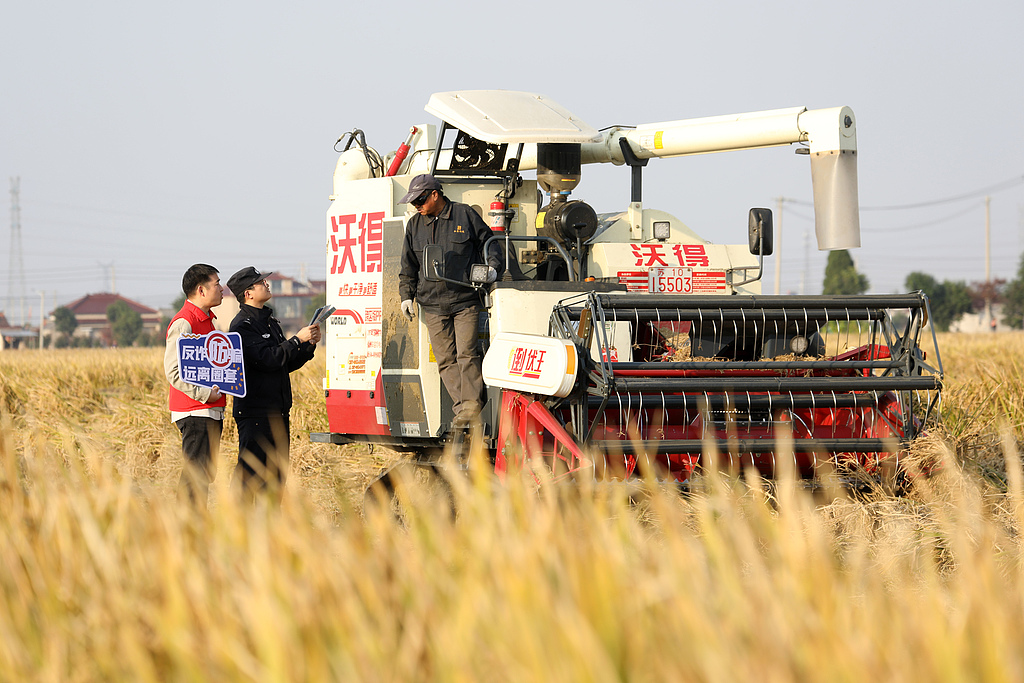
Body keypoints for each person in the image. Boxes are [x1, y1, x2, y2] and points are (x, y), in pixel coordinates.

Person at [398, 173, 502, 428]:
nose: (417, 207)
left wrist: (492, 269)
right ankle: (463, 408)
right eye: (413, 203)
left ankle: (471, 406)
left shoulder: (464, 215)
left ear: (435, 194)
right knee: (445, 360)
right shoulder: (414, 226)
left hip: (465, 299)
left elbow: (490, 243)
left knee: (467, 354)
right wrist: (406, 296)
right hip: (432, 304)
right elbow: (407, 266)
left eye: (420, 201)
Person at [227, 266, 321, 502]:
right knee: (249, 478)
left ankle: (272, 531)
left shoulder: (270, 322)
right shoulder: (242, 327)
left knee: (276, 479)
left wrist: (307, 346)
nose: (266, 285)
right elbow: (268, 359)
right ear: (248, 293)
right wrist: (297, 339)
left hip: (278, 413)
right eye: (261, 283)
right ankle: (236, 528)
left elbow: (283, 363)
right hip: (255, 414)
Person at [165, 263, 226, 507]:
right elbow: (173, 371)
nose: (222, 289)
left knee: (204, 475)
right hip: (195, 410)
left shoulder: (207, 321)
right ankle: (186, 532)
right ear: (201, 290)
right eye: (217, 284)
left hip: (208, 410)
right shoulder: (185, 322)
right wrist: (204, 395)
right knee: (195, 475)